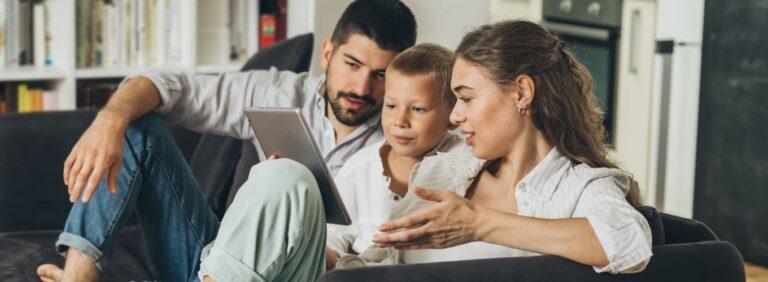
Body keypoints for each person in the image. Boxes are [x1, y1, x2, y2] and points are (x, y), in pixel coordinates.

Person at [36, 1, 417, 281]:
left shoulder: (404, 138)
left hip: (299, 271)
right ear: (328, 52)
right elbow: (171, 86)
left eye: (381, 75)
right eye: (352, 65)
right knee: (138, 126)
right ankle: (78, 276)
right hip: (213, 260)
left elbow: (380, 250)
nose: (362, 87)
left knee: (285, 178)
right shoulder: (278, 92)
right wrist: (109, 119)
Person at [371, 20, 653, 274]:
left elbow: (628, 244)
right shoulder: (440, 169)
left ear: (521, 93)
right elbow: (384, 261)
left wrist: (480, 224)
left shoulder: (578, 186)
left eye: (466, 98)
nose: (454, 116)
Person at [198, 43, 463, 281]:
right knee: (279, 173)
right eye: (391, 106)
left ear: (454, 115)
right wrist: (325, 251)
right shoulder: (362, 166)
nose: (400, 120)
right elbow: (335, 232)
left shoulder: (466, 164)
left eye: (417, 109)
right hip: (339, 272)